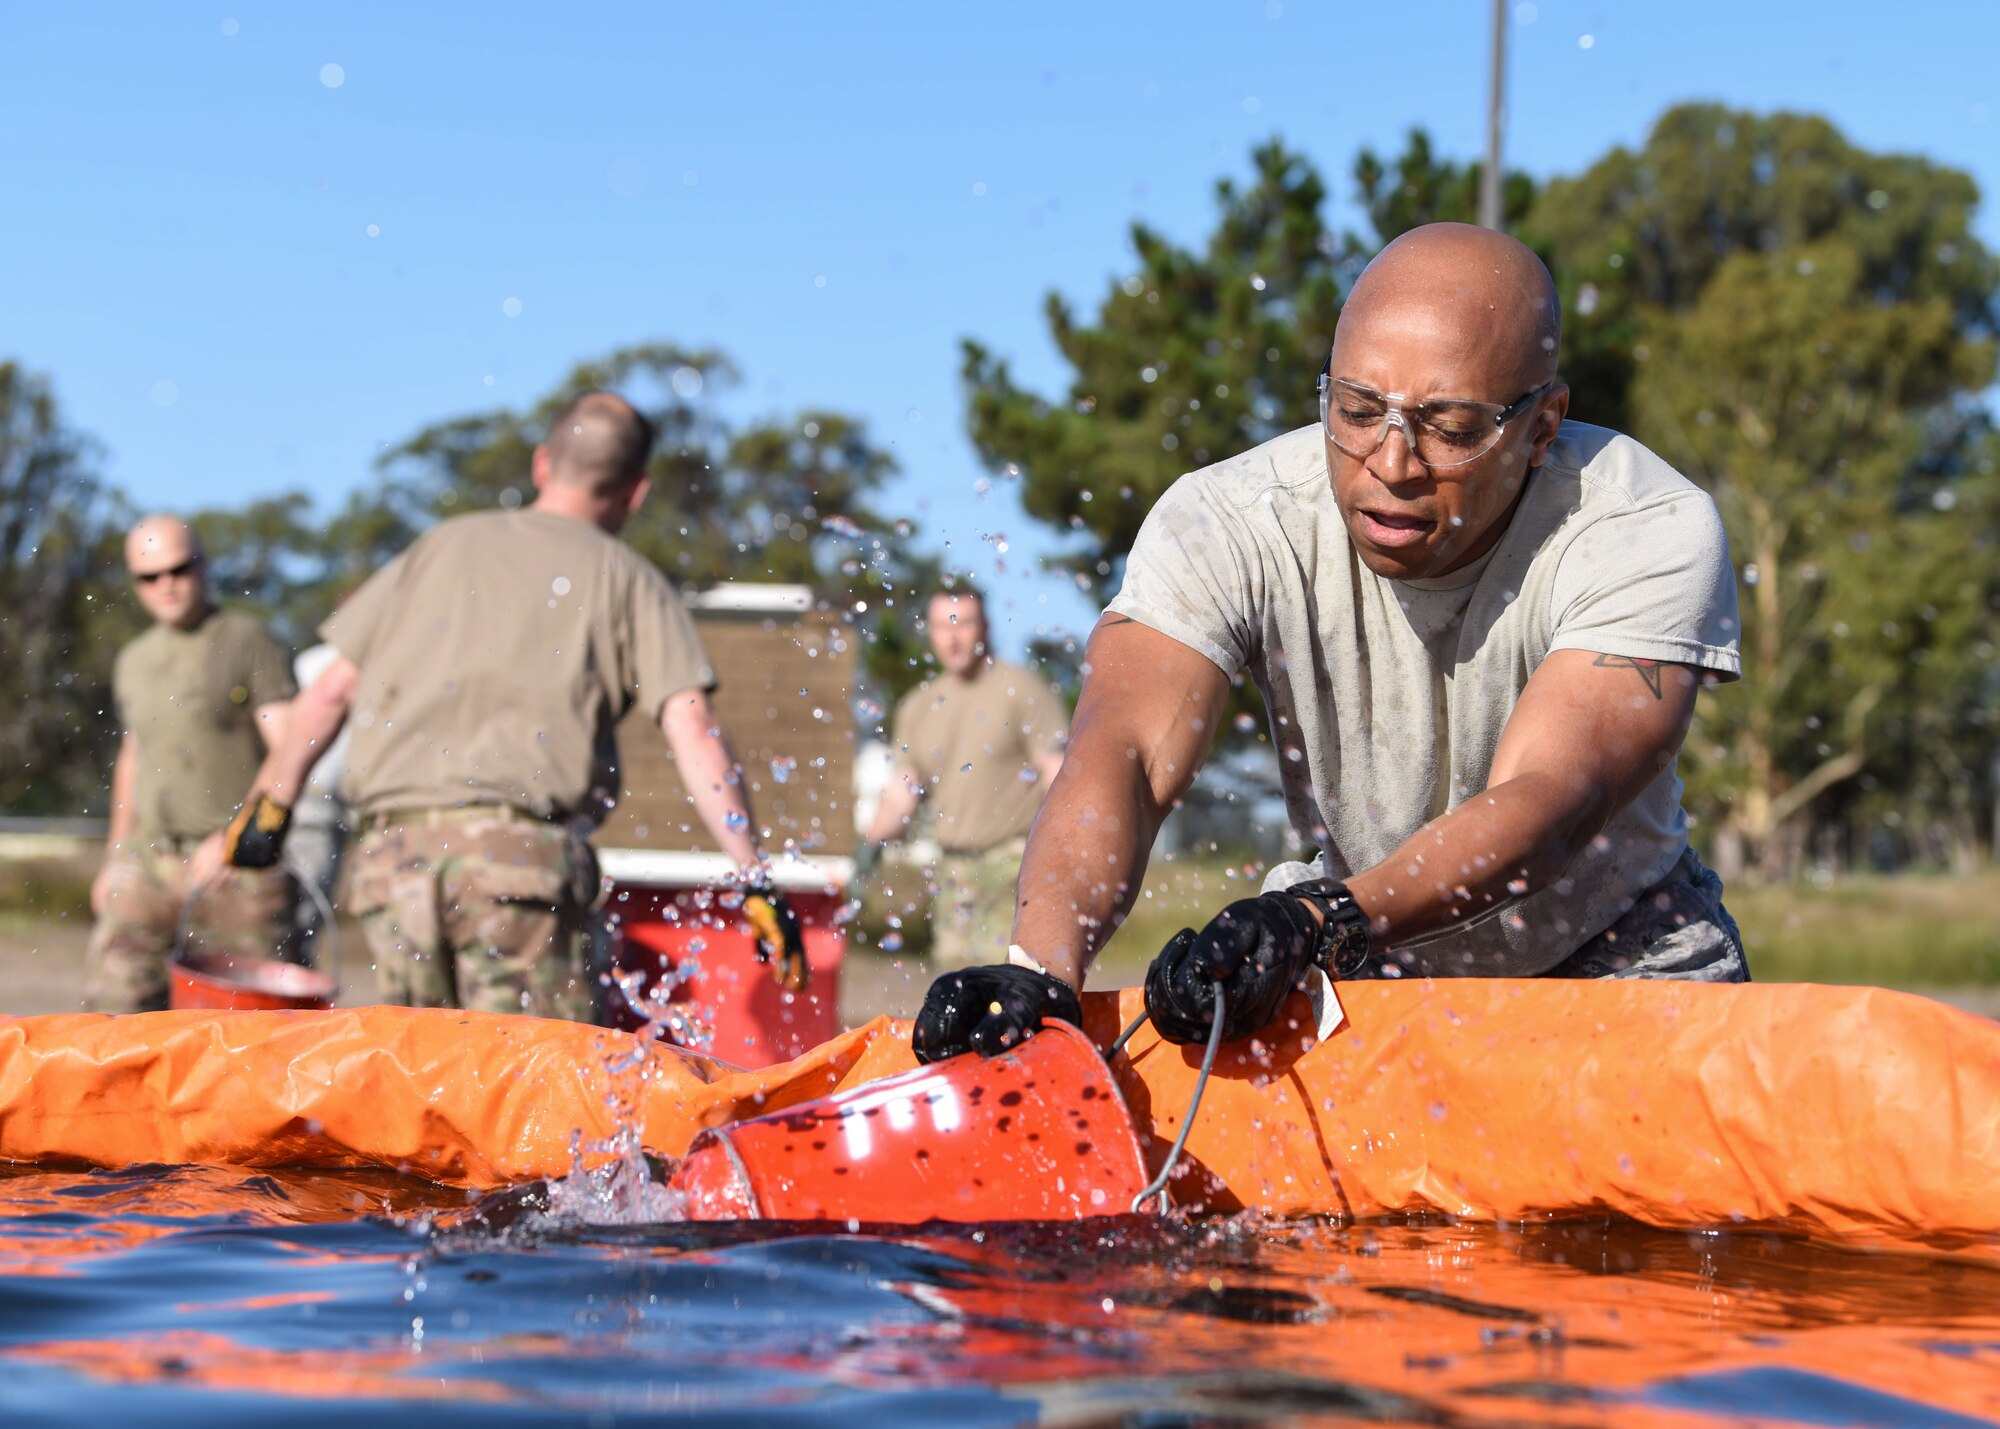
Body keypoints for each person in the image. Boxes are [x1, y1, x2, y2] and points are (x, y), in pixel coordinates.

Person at [913, 222, 1745, 1063]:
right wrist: (1043, 965)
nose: (1391, 462)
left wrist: (1328, 916)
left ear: (1542, 426)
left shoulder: (1643, 526)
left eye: (1450, 427)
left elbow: (1549, 798)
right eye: (1354, 411)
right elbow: (1122, 751)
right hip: (1359, 948)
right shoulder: (1232, 520)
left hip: (1619, 953)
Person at [207, 390, 804, 1019]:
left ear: (542, 464)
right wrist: (754, 878)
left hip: (395, 868)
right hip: (520, 874)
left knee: (428, 1093)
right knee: (536, 1099)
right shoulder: (625, 577)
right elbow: (692, 724)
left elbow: (328, 692)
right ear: (636, 492)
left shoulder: (439, 547)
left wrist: (267, 807)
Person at [85, 516, 298, 1012]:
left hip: (233, 870)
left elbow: (292, 746)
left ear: (204, 565)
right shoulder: (134, 660)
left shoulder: (247, 640)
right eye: (149, 576)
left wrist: (235, 838)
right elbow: (134, 756)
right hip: (148, 864)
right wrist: (116, 856)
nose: (167, 585)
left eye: (179, 569)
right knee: (113, 1021)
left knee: (249, 1038)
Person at [856, 586, 1067, 971]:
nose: (953, 638)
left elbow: (1058, 776)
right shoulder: (917, 706)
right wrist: (867, 850)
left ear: (984, 627)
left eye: (964, 624)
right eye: (941, 626)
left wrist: (1063, 854)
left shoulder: (1022, 691)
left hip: (1013, 863)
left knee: (1004, 980)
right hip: (952, 870)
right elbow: (902, 792)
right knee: (953, 985)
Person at [287, 640, 351, 967]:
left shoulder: (308, 660)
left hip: (335, 806)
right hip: (315, 803)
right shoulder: (322, 662)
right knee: (304, 911)